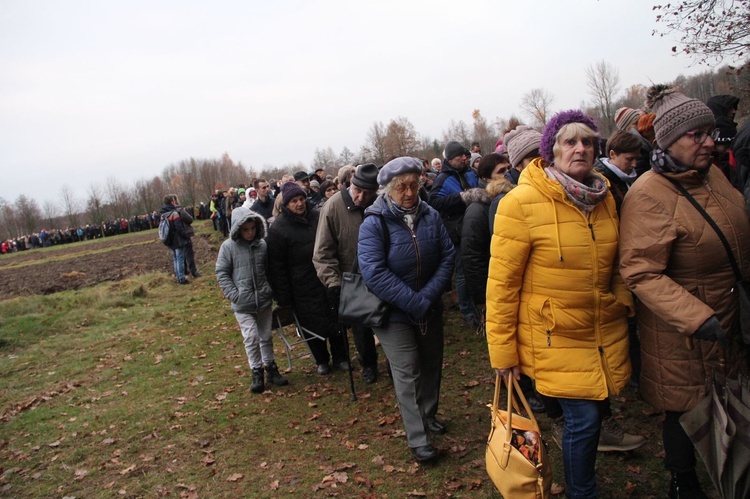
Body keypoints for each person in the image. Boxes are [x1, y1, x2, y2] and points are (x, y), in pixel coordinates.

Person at [486, 110, 633, 498]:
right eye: (570, 141)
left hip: (601, 327)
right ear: (551, 150)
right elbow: (501, 285)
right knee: (583, 419)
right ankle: (582, 492)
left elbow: (616, 260)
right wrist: (503, 352)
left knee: (593, 417)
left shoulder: (604, 198)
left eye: (587, 141)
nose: (580, 148)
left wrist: (620, 298)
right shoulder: (521, 203)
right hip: (553, 334)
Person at [619, 85, 750, 498]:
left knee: (728, 399)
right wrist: (696, 316)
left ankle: (729, 470)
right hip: (685, 331)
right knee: (684, 407)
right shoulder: (647, 195)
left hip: (732, 315)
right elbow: (639, 271)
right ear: (669, 140)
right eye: (698, 135)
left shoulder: (713, 176)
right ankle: (683, 481)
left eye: (709, 133)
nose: (710, 142)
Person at [359, 157, 455, 463]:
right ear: (388, 189)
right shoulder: (374, 222)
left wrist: (426, 297)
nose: (410, 192)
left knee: (431, 364)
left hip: (428, 307)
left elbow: (448, 257)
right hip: (393, 314)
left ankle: (428, 415)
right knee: (408, 371)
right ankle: (418, 438)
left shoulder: (431, 215)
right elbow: (374, 273)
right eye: (402, 187)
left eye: (414, 185)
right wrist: (414, 302)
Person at [266, 182, 348, 375]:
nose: (299, 204)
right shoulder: (278, 229)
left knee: (336, 317)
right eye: (294, 201)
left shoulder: (318, 216)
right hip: (301, 285)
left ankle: (341, 356)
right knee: (311, 323)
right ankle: (321, 360)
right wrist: (283, 297)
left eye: (301, 199)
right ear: (286, 204)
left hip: (326, 277)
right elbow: (277, 267)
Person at [313, 164, 380, 383]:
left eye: (367, 193)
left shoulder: (380, 204)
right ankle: (368, 364)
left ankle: (395, 364)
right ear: (350, 183)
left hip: (381, 275)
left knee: (388, 323)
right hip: (351, 278)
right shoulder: (332, 207)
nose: (361, 197)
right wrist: (333, 283)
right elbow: (323, 252)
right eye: (357, 191)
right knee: (361, 330)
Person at [215, 206, 288, 394]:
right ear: (238, 229)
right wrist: (234, 294)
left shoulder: (261, 245)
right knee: (251, 336)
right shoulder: (228, 248)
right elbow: (222, 272)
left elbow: (268, 268)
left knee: (265, 336)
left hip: (262, 299)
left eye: (253, 228)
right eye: (245, 229)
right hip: (242, 303)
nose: (250, 233)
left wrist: (269, 289)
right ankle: (256, 370)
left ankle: (270, 367)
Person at [428, 141, 485, 329]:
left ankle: (480, 308)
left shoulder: (470, 172)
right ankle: (467, 312)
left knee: (478, 268)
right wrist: (460, 197)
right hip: (457, 232)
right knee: (462, 273)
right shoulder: (443, 179)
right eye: (459, 156)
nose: (464, 158)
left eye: (465, 155)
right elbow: (434, 202)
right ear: (450, 159)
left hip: (476, 228)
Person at [594, 130, 640, 212]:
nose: (634, 164)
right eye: (629, 159)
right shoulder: (599, 182)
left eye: (636, 158)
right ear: (612, 154)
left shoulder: (631, 179)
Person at [160, 194, 196, 285]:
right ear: (172, 202)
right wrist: (185, 235)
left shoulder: (163, 214)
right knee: (180, 258)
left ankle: (177, 276)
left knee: (175, 258)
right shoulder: (174, 213)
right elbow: (179, 227)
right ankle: (181, 278)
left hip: (169, 240)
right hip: (178, 239)